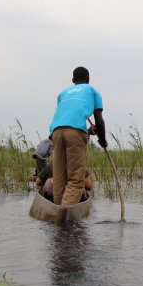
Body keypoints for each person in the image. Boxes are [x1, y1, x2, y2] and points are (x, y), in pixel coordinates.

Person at [49, 66, 107, 207]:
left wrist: (87, 131)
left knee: (59, 179)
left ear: (73, 80)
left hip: (55, 132)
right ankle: (64, 218)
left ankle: (57, 217)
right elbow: (98, 119)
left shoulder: (63, 93)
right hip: (74, 132)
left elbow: (66, 122)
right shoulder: (92, 90)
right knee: (75, 180)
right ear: (88, 79)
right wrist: (102, 140)